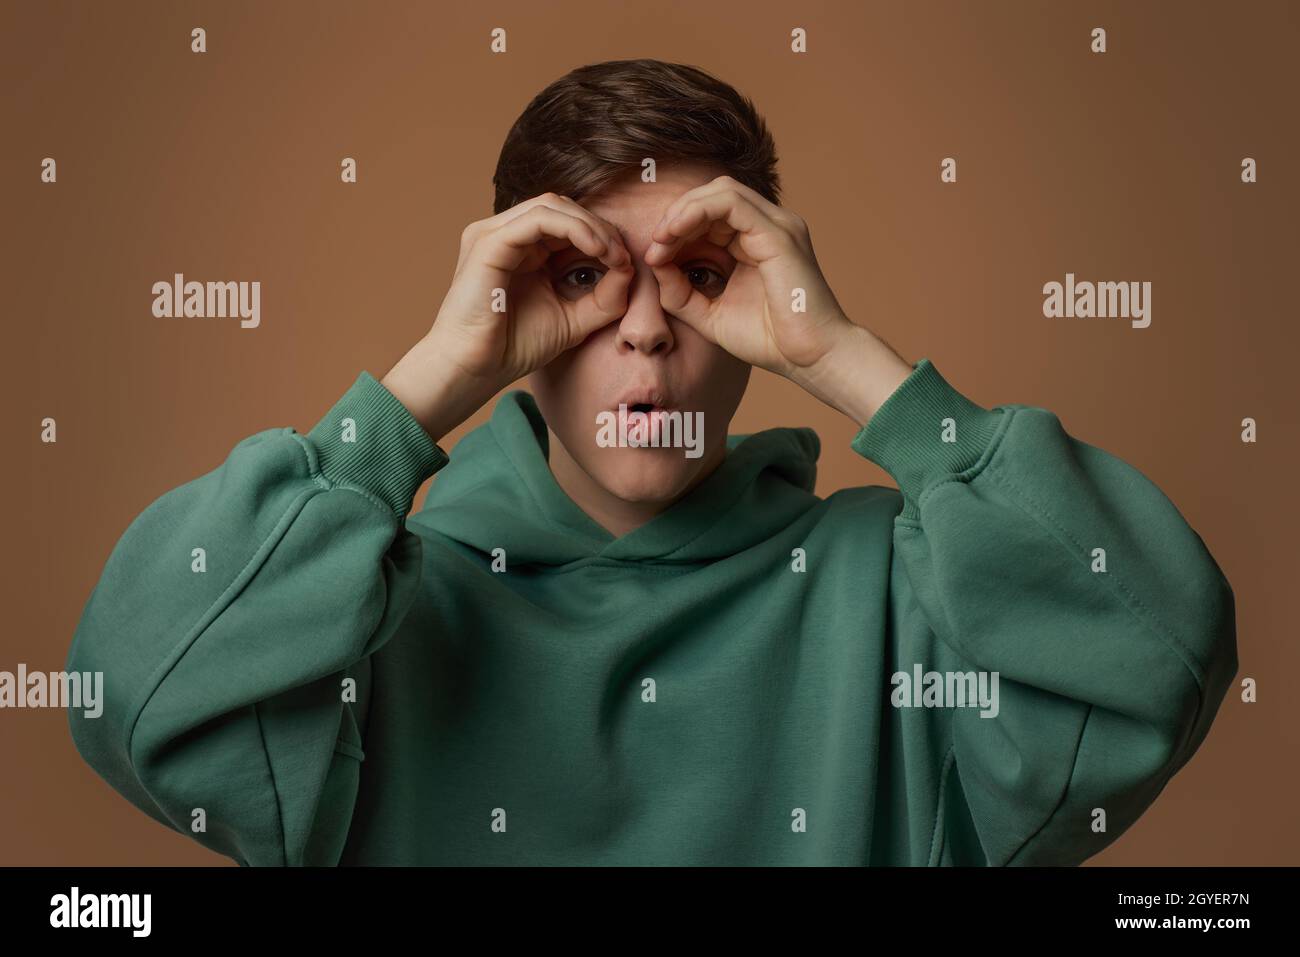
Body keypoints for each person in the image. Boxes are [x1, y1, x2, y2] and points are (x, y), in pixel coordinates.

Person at [65, 58, 1237, 866]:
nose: (642, 326)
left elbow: (1161, 659)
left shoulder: (909, 588)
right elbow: (131, 694)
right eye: (581, 277)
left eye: (703, 273)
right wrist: (426, 382)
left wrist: (841, 356)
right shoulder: (364, 608)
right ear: (509, 311)